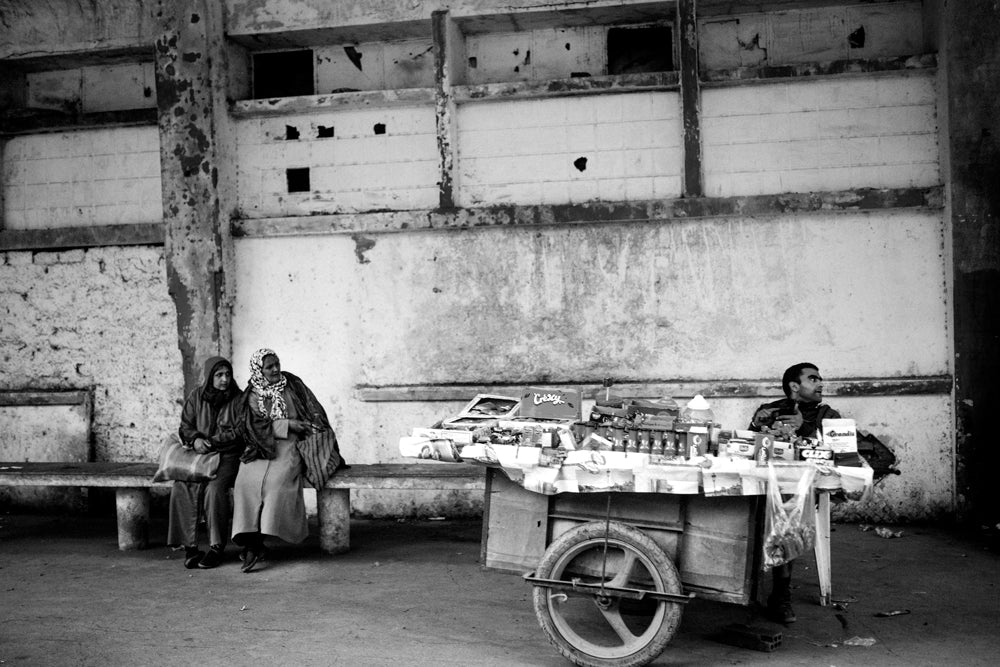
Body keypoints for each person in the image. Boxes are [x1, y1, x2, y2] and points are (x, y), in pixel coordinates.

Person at [231, 348, 345, 573]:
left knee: (277, 483)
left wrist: (308, 427)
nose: (275, 369)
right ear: (259, 370)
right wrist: (286, 424)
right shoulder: (251, 394)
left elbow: (312, 410)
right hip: (259, 447)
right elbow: (250, 426)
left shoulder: (292, 384)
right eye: (269, 367)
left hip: (290, 446)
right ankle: (252, 541)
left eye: (277, 364)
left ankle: (258, 542)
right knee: (245, 482)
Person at [749, 362, 841, 624]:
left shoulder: (829, 416)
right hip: (764, 488)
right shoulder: (772, 411)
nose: (820, 383)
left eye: (820, 379)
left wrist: (805, 429)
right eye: (813, 379)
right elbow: (751, 446)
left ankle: (780, 595)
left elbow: (837, 454)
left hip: (803, 494)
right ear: (794, 386)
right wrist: (756, 425)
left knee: (786, 514)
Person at [167, 356, 243, 569]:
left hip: (228, 456)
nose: (224, 379)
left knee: (215, 489)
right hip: (200, 455)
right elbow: (186, 425)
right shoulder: (196, 396)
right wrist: (195, 440)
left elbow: (240, 431)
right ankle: (190, 547)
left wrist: (213, 441)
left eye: (227, 374)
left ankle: (216, 547)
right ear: (210, 377)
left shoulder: (239, 398)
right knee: (182, 486)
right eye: (219, 375)